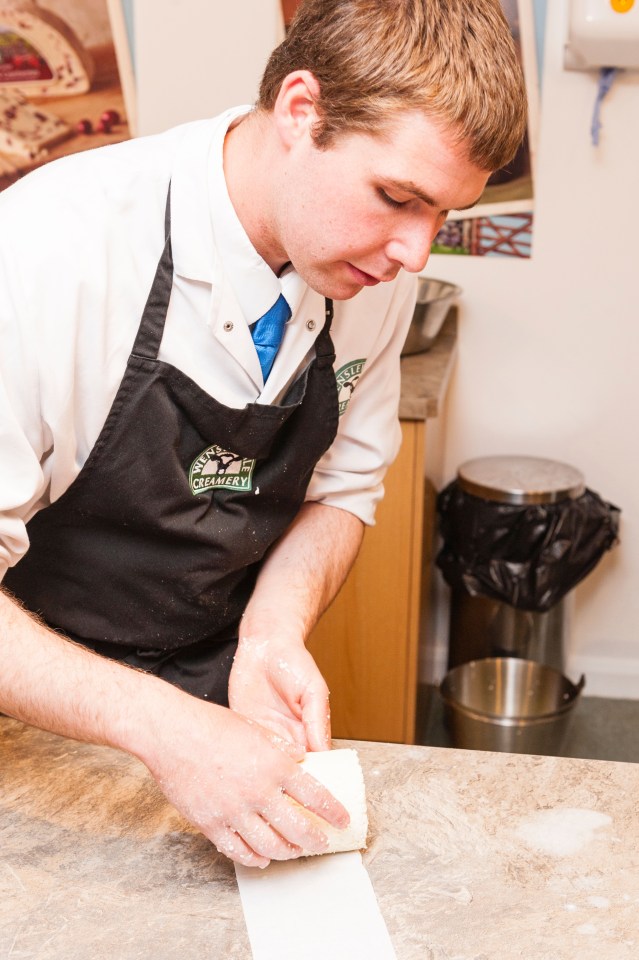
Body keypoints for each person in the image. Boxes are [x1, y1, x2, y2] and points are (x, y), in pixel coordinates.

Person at [0, 0, 527, 867]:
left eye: (444, 216)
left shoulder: (369, 267)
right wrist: (162, 730)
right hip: (28, 727)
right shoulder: (52, 251)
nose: (416, 253)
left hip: (217, 712)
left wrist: (272, 632)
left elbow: (343, 487)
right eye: (398, 197)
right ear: (300, 110)